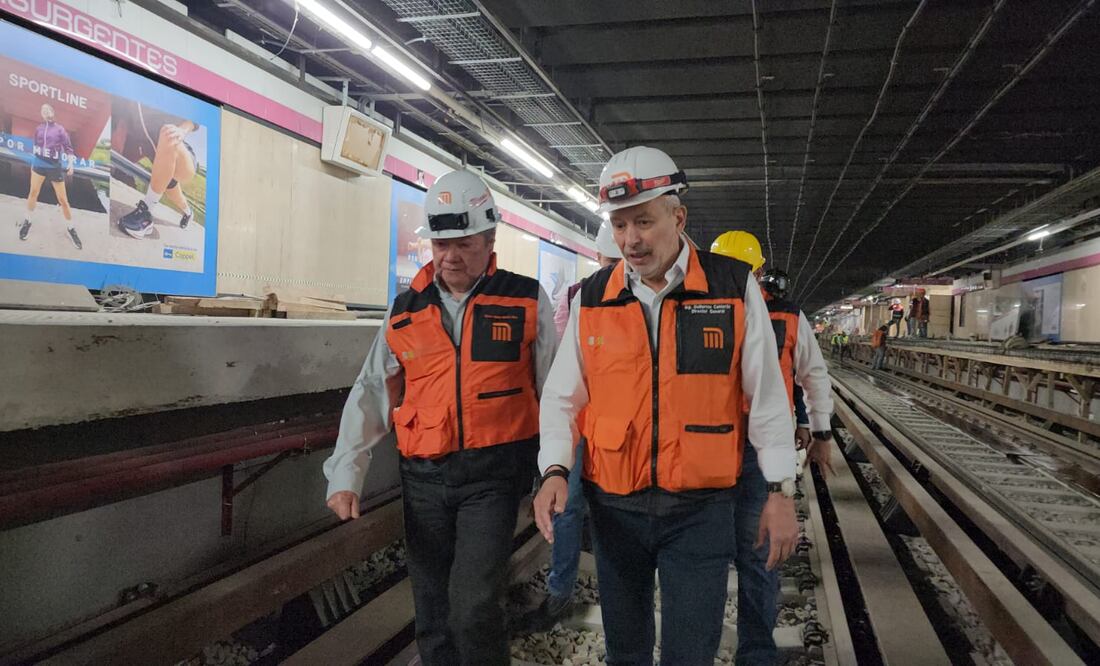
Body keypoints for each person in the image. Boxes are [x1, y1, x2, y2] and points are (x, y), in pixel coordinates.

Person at [534, 146, 799, 666]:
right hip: (616, 508)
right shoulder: (593, 297)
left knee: (689, 652)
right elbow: (563, 396)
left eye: (644, 221)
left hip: (699, 510)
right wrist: (555, 469)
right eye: (620, 225)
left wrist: (778, 491)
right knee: (626, 650)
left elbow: (767, 397)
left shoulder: (731, 288)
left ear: (678, 217)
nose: (630, 239)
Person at [322, 170, 557, 666]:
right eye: (441, 243)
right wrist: (347, 472)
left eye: (464, 244)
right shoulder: (404, 311)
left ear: (490, 240)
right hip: (424, 479)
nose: (450, 255)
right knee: (431, 608)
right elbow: (371, 392)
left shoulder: (525, 299)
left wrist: (558, 471)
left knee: (472, 603)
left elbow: (555, 391)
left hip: (492, 478)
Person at [710, 237, 834, 665]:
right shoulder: (785, 314)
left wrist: (817, 430)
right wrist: (819, 430)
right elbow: (814, 376)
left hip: (737, 448)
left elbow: (812, 376)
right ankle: (756, 655)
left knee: (739, 554)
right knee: (754, 556)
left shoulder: (702, 308)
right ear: (760, 270)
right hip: (737, 450)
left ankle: (741, 652)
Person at [525, 222, 622, 630]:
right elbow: (560, 373)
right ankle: (563, 593)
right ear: (599, 258)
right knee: (571, 508)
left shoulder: (579, 296)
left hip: (608, 429)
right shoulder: (577, 298)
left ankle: (602, 592)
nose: (616, 268)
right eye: (611, 260)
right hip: (585, 426)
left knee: (603, 509)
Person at [112, 101, 200, 239]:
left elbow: (194, 119)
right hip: (162, 163)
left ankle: (145, 215)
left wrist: (181, 131)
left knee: (168, 132)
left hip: (180, 152)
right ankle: (189, 213)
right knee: (176, 197)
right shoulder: (131, 106)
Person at [19, 104, 82, 250]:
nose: (45, 111)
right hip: (38, 165)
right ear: (41, 114)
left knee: (63, 200)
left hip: (54, 167)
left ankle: (70, 228)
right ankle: (28, 220)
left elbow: (68, 148)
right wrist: (32, 163)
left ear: (53, 113)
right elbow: (36, 146)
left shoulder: (60, 129)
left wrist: (71, 164)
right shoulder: (38, 129)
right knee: (33, 193)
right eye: (43, 110)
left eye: (48, 109)